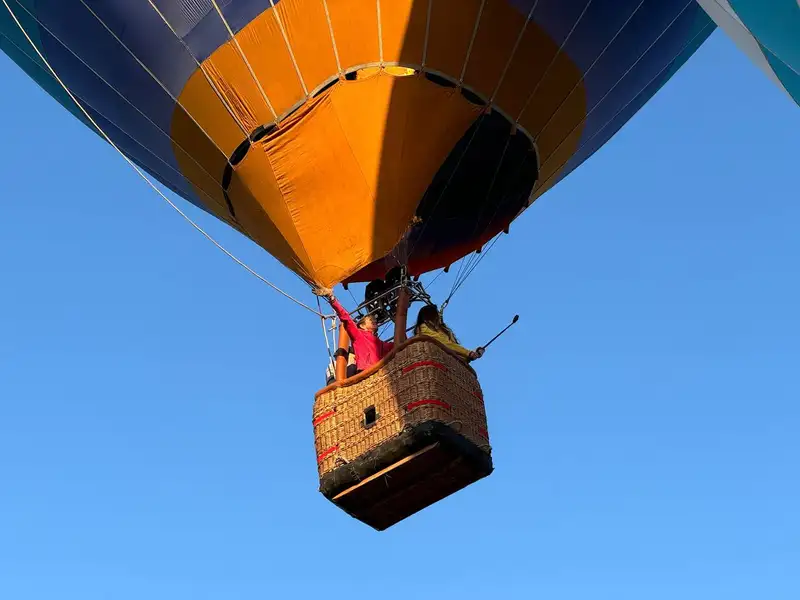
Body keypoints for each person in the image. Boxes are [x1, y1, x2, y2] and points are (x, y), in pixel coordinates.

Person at [323, 292, 394, 373]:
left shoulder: (380, 344)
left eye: (374, 320)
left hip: (379, 372)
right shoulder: (359, 335)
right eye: (370, 320)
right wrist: (333, 299)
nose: (374, 320)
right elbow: (347, 319)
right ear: (362, 326)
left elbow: (396, 345)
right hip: (364, 371)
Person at [413, 304, 484, 362]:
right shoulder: (423, 327)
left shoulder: (444, 330)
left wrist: (473, 354)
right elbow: (444, 343)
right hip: (440, 359)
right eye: (437, 313)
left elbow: (453, 346)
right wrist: (468, 353)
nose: (439, 315)